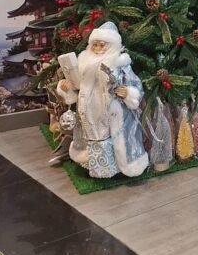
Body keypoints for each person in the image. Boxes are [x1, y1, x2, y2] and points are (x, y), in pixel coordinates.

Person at [56, 22, 149, 179]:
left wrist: (128, 92)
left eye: (102, 45)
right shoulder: (83, 61)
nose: (98, 48)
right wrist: (66, 88)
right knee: (92, 136)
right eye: (95, 44)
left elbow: (135, 84)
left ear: (111, 45)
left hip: (111, 110)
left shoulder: (120, 62)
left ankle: (115, 169)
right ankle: (93, 166)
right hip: (89, 109)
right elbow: (77, 86)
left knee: (113, 138)